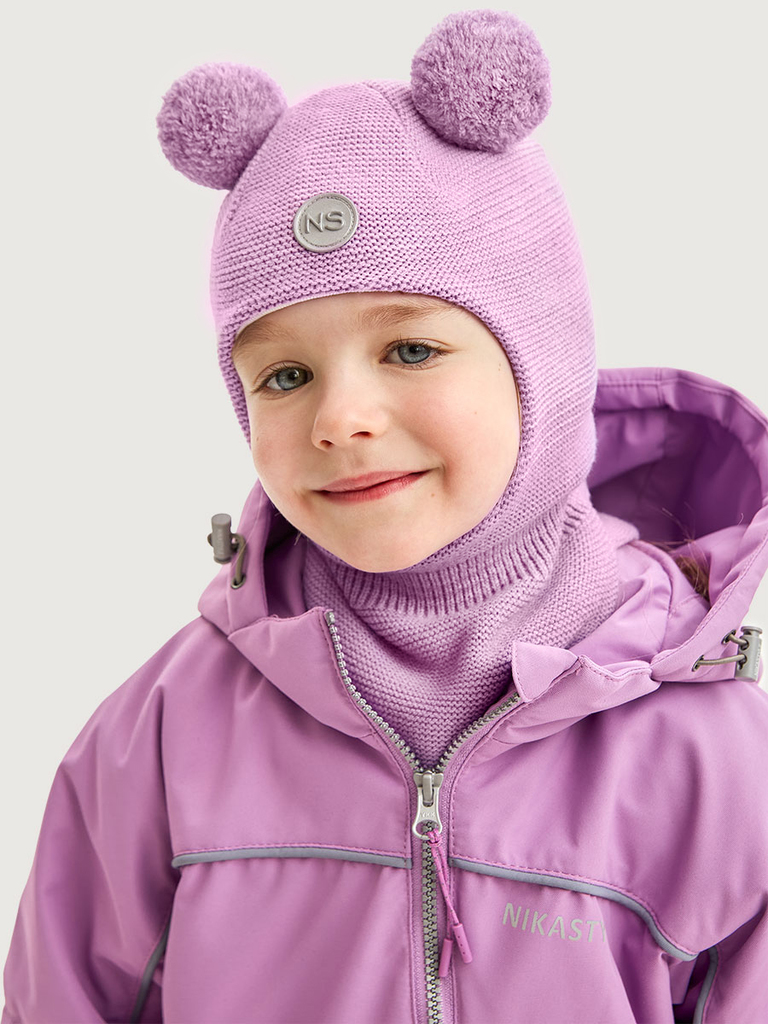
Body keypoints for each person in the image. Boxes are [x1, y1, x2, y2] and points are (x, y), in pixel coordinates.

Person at [4, 8, 768, 1023]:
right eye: (285, 375)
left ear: (545, 364)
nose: (339, 419)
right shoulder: (161, 735)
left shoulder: (714, 752)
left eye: (410, 350)